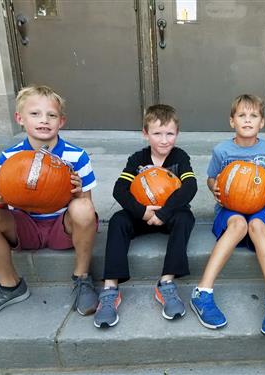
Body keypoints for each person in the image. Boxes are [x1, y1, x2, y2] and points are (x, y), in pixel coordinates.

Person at [0, 85, 98, 318]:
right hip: (24, 226)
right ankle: (10, 285)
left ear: (62, 121)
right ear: (20, 118)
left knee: (83, 207)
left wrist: (78, 192)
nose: (44, 120)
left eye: (51, 115)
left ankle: (81, 278)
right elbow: (2, 208)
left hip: (61, 226)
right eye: (35, 114)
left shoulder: (76, 156)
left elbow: (87, 209)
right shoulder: (9, 158)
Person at [190, 94, 265, 337]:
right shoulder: (222, 150)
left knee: (257, 226)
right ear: (232, 121)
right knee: (238, 225)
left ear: (262, 122)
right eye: (241, 115)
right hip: (229, 207)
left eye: (253, 116)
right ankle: (203, 292)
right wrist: (215, 187)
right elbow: (211, 179)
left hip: (259, 207)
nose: (247, 120)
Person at [94, 104, 197, 328]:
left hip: (169, 215)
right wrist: (142, 211)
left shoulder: (180, 157)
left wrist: (165, 211)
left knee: (186, 218)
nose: (163, 140)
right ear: (145, 133)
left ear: (177, 134)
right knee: (118, 220)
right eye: (157, 133)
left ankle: (166, 283)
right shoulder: (137, 159)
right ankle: (110, 289)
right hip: (142, 215)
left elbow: (190, 187)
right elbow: (119, 189)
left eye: (169, 134)